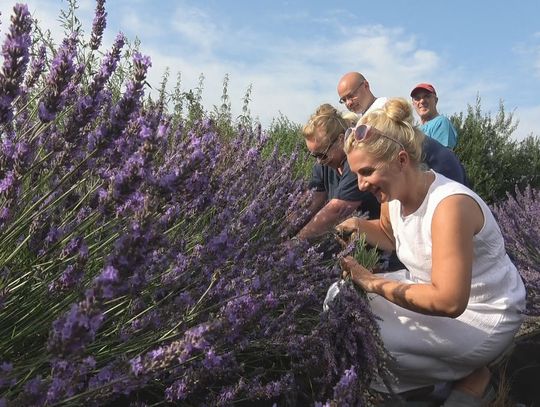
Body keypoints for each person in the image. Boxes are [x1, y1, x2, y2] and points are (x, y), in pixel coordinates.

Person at [335, 97, 525, 404]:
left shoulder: (450, 206)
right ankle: (437, 378)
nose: (361, 184)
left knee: (374, 338)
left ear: (401, 160)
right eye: (357, 174)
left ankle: (471, 376)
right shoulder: (392, 199)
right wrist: (356, 225)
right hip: (433, 292)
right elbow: (390, 234)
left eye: (367, 171)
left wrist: (372, 282)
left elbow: (449, 301)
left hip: (484, 312)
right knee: (341, 303)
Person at [338, 73, 468, 185]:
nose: (348, 102)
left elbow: (441, 160)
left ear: (366, 86)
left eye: (352, 95)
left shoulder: (380, 112)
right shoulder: (418, 129)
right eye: (344, 100)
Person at [294, 104, 379, 241]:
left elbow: (337, 208)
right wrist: (284, 228)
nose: (319, 161)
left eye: (322, 154)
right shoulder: (323, 164)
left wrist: (297, 241)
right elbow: (312, 201)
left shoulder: (357, 161)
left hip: (377, 243)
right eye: (314, 155)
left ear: (340, 140)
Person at [411, 83, 458, 149]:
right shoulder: (417, 130)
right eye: (417, 98)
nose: (422, 101)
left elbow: (441, 157)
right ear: (413, 103)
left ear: (436, 100)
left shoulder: (441, 123)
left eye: (427, 96)